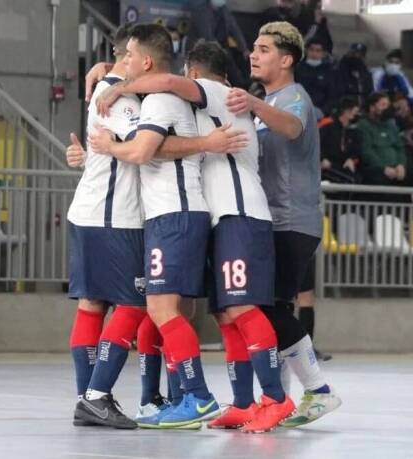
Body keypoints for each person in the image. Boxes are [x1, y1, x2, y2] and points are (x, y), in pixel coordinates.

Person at [93, 40, 296, 433]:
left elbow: (167, 82)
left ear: (195, 74)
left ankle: (275, 397)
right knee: (225, 314)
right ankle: (242, 403)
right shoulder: (208, 108)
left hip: (241, 214)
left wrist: (117, 87)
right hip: (220, 220)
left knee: (241, 309)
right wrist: (106, 69)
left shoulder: (219, 94)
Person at [87, 24, 225, 429]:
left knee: (160, 308)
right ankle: (181, 396)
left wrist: (109, 146)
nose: (120, 63)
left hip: (174, 215)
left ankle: (198, 396)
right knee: (170, 309)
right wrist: (103, 73)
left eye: (126, 56)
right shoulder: (163, 97)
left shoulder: (162, 100)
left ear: (145, 62)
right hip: (176, 214)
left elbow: (143, 150)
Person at [224, 21, 342, 427]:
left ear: (287, 59)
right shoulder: (269, 101)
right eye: (252, 47)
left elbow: (291, 128)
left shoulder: (294, 98)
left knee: (268, 307)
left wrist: (254, 104)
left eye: (263, 49)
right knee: (274, 307)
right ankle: (282, 398)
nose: (253, 54)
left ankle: (319, 390)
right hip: (270, 220)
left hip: (292, 219)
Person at [67, 24, 148, 430]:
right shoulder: (121, 96)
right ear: (129, 53)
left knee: (92, 304)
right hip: (114, 216)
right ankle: (97, 396)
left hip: (91, 210)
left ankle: (87, 400)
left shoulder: (109, 87)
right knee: (134, 304)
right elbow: (142, 147)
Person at [357, 92, 408, 201]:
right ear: (372, 107)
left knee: (411, 175)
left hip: (396, 169)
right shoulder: (363, 125)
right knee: (379, 179)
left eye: (387, 105)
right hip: (376, 170)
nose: (387, 108)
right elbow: (367, 151)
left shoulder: (391, 124)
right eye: (383, 105)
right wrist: (383, 168)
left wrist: (401, 164)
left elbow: (399, 147)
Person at [187, 0, 250, 87]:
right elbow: (207, 36)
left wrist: (244, 48)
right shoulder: (200, 10)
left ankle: (242, 88)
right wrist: (221, 52)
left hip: (221, 48)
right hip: (201, 50)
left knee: (236, 72)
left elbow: (234, 28)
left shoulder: (223, 9)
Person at [318, 96, 362, 185]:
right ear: (346, 111)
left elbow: (357, 150)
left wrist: (351, 159)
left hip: (344, 166)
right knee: (347, 180)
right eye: (355, 112)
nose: (357, 115)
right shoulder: (328, 127)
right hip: (328, 166)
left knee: (356, 178)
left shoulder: (355, 131)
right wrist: (322, 159)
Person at [295, 38, 336, 118]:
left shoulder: (329, 71)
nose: (314, 53)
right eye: (312, 50)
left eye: (318, 50)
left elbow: (332, 94)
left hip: (320, 111)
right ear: (306, 51)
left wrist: (324, 110)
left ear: (323, 53)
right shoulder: (297, 69)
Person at [334, 43, 374, 107]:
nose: (356, 56)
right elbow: (338, 93)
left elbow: (369, 92)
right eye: (354, 54)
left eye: (360, 55)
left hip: (364, 108)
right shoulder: (340, 71)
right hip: (346, 108)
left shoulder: (366, 73)